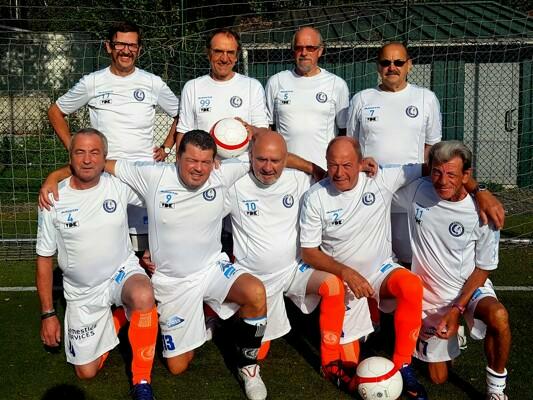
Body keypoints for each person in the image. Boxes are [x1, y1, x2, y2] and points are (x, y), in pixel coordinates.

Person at [39, 130, 318, 400]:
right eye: (191, 160)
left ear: (214, 162)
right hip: (172, 284)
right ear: (177, 158)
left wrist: (316, 169)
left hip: (212, 270)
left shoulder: (224, 172)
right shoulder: (152, 175)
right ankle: (198, 314)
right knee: (178, 366)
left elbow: (272, 155)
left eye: (205, 161)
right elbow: (96, 165)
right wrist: (54, 176)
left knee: (255, 292)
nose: (198, 168)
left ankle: (249, 368)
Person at [299, 136, 505, 400]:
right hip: (343, 278)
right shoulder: (316, 197)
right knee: (349, 366)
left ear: (361, 163)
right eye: (333, 165)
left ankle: (403, 365)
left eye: (347, 165)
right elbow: (308, 252)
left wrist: (480, 190)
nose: (340, 173)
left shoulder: (380, 179)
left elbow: (433, 168)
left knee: (410, 284)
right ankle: (336, 357)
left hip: (380, 271)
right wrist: (346, 273)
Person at [224, 131, 372, 389]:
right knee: (257, 352)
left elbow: (332, 180)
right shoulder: (234, 184)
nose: (268, 167)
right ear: (249, 157)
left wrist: (361, 166)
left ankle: (329, 364)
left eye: (276, 161)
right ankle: (238, 318)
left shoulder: (300, 181)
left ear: (286, 160)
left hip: (295, 270)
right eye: (261, 160)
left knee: (333, 285)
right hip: (258, 281)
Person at [36, 129, 158, 400]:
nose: (88, 159)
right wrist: (48, 314)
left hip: (121, 274)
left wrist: (155, 246)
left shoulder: (118, 185)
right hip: (83, 292)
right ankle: (121, 318)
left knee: (143, 294)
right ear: (70, 157)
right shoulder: (52, 199)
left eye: (95, 153)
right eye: (80, 152)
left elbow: (160, 196)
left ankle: (141, 381)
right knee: (86, 372)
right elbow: (44, 259)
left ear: (105, 158)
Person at [47, 20, 180, 258]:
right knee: (106, 244)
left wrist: (167, 147)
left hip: (142, 174)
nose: (126, 50)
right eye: (120, 44)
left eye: (132, 45)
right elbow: (55, 111)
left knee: (148, 248)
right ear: (109, 47)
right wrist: (72, 147)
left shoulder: (153, 82)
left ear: (139, 49)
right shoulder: (93, 82)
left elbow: (181, 114)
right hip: (105, 175)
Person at [395, 141, 511, 400]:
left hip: (469, 289)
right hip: (430, 297)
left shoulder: (483, 212)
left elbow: (483, 269)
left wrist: (457, 309)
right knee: (438, 378)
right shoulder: (416, 191)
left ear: (466, 176)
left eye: (451, 174)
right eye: (436, 172)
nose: (442, 181)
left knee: (499, 316)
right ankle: (449, 335)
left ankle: (496, 390)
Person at [346, 42, 442, 265]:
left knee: (412, 259)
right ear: (378, 67)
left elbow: (432, 147)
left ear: (409, 65)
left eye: (398, 62)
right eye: (386, 62)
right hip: (372, 190)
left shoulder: (426, 98)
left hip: (412, 190)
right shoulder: (361, 99)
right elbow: (352, 145)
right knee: (373, 258)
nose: (392, 67)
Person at [265, 26, 350, 170]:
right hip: (286, 170)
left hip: (323, 171)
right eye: (299, 48)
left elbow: (344, 132)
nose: (304, 53)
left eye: (310, 48)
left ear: (320, 50)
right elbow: (268, 128)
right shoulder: (276, 82)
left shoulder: (337, 84)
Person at [176, 28, 269, 147]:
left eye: (230, 52)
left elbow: (264, 132)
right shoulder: (192, 87)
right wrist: (181, 164)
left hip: (244, 164)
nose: (224, 59)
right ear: (208, 53)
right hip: (205, 165)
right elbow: (183, 133)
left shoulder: (253, 86)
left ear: (237, 56)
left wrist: (252, 129)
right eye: (218, 51)